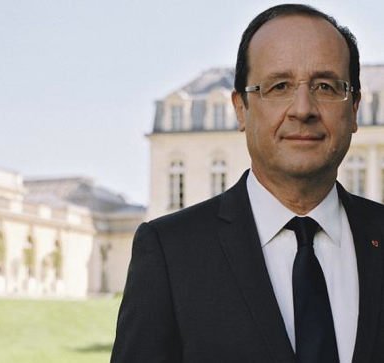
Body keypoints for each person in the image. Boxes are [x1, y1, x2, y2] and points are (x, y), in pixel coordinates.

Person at [110, 4, 384, 363]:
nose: (303, 108)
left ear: (354, 110)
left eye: (326, 86)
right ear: (241, 109)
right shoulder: (170, 252)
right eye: (279, 86)